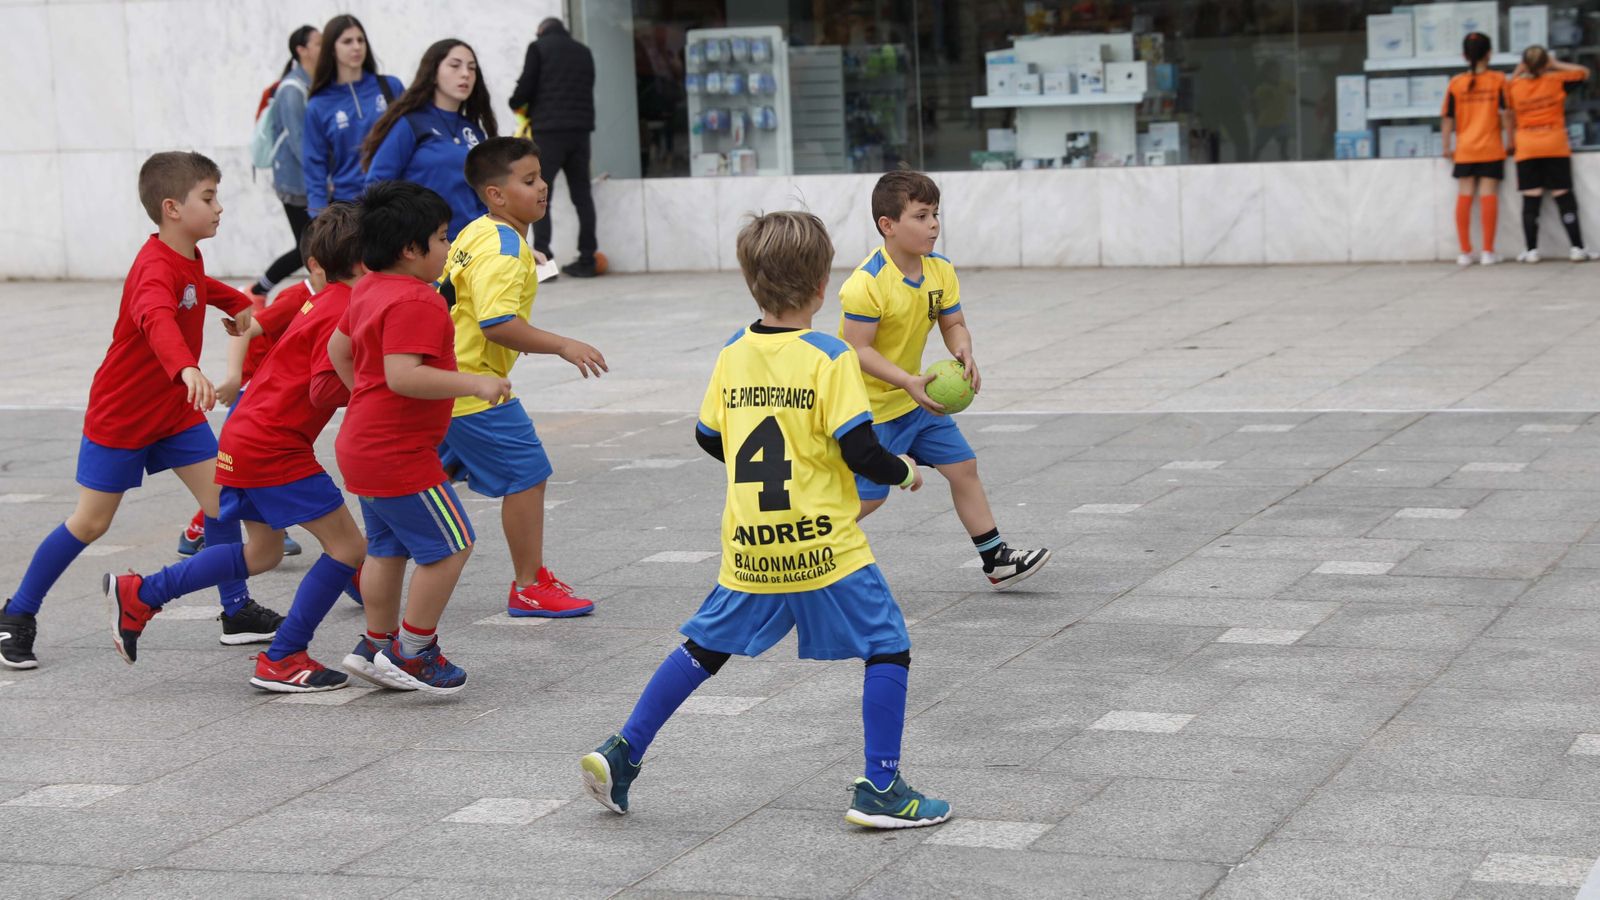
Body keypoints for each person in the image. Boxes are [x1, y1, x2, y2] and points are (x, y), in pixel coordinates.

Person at [580, 211, 951, 830]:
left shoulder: (734, 351)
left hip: (752, 542)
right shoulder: (830, 357)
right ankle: (882, 788)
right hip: (823, 543)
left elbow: (708, 437)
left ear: (753, 281)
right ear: (820, 285)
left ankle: (623, 752)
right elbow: (860, 452)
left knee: (704, 647)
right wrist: (905, 470)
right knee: (888, 646)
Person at [0, 152, 284, 670]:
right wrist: (186, 369)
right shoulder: (153, 268)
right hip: (123, 416)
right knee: (90, 523)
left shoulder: (185, 255)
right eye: (209, 197)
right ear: (172, 207)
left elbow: (196, 289)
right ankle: (17, 614)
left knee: (225, 504)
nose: (219, 207)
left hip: (174, 414)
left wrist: (236, 304)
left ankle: (236, 610)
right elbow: (157, 318)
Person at [105, 206, 368, 680]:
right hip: (274, 444)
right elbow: (326, 388)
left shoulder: (322, 299)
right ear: (370, 259)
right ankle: (285, 657)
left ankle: (141, 593)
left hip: (245, 433)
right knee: (348, 549)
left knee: (263, 554)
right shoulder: (348, 308)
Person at [325, 181, 512, 695]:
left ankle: (375, 644)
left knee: (387, 548)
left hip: (363, 444)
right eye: (441, 238)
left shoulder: (367, 287)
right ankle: (414, 651)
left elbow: (339, 351)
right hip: (397, 453)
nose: (447, 249)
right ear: (411, 249)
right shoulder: (418, 301)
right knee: (452, 545)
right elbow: (404, 375)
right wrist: (475, 382)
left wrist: (364, 395)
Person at [838, 171, 1050, 590]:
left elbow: (953, 323)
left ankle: (996, 560)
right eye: (920, 215)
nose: (934, 224)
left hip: (919, 401)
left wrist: (964, 348)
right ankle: (803, 549)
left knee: (963, 466)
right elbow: (857, 350)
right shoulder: (866, 283)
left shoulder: (940, 271)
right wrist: (906, 381)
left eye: (936, 214)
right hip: (871, 409)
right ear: (888, 225)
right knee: (869, 498)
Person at [437, 137, 608, 618]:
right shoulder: (504, 250)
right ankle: (529, 584)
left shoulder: (481, 231)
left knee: (419, 482)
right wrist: (563, 345)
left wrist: (519, 257)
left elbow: (461, 282)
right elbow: (497, 323)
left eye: (540, 177)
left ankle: (358, 566)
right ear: (495, 194)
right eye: (528, 180)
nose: (542, 187)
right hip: (474, 386)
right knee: (528, 475)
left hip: (443, 381)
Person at [175, 228, 318, 559]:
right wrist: (233, 377)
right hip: (255, 390)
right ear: (318, 265)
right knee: (237, 472)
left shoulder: (331, 295)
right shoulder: (296, 299)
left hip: (276, 392)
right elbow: (242, 329)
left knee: (249, 471)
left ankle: (270, 525)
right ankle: (198, 532)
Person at [362, 39, 497, 240]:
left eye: (472, 68)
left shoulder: (474, 132)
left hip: (470, 249)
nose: (465, 74)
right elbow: (376, 186)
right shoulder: (410, 123)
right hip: (422, 249)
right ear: (433, 73)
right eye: (454, 65)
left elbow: (486, 199)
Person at [509, 17, 600, 278]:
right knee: (582, 195)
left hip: (549, 132)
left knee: (540, 194)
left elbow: (525, 86)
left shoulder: (538, 48)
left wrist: (515, 101)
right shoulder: (584, 52)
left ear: (541, 32)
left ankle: (545, 263)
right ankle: (587, 258)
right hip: (581, 133)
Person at [303, 14, 404, 218]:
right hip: (350, 207)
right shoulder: (318, 105)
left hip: (396, 200)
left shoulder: (391, 87)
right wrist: (318, 218)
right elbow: (315, 167)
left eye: (361, 40)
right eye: (347, 41)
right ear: (332, 48)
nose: (356, 47)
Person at [249, 24, 322, 299]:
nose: (324, 47)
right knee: (310, 248)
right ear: (301, 51)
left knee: (310, 247)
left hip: (307, 182)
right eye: (318, 43)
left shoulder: (311, 82)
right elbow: (299, 142)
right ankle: (257, 291)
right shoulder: (293, 88)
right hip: (297, 185)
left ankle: (257, 291)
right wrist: (322, 179)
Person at [1507, 45, 1596, 263]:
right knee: (1564, 196)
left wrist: (1520, 70)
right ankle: (1576, 247)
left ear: (1525, 64)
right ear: (1545, 63)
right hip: (1554, 144)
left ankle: (1531, 250)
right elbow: (1584, 72)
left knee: (1531, 199)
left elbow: (1504, 91)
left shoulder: (1515, 86)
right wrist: (1554, 65)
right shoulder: (1556, 81)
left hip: (1527, 146)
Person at [1441, 32, 1510, 267]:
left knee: (1465, 195)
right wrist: (1510, 140)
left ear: (1464, 55)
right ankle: (1488, 252)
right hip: (1491, 147)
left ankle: (1464, 252)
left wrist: (1446, 145)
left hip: (1465, 148)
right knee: (1488, 194)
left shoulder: (1456, 83)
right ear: (1489, 54)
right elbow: (1506, 115)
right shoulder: (1499, 80)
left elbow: (1448, 118)